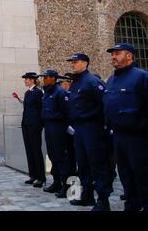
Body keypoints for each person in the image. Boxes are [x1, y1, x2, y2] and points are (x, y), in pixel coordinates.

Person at [103, 43, 148, 211]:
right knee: (125, 176)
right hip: (118, 137)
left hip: (138, 138)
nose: (113, 56)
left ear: (129, 56)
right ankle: (131, 205)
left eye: (117, 53)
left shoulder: (141, 77)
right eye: (112, 54)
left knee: (142, 175)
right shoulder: (111, 79)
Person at [66, 53, 114, 211]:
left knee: (97, 163)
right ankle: (87, 195)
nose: (73, 64)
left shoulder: (92, 82)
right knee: (83, 163)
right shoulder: (76, 82)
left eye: (76, 62)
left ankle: (103, 199)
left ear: (85, 64)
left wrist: (105, 126)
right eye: (72, 62)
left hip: (92, 128)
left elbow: (105, 104)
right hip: (80, 129)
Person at [38, 70, 70, 197]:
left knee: (61, 157)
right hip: (49, 127)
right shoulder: (47, 92)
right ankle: (56, 182)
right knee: (52, 156)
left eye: (46, 77)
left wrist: (54, 117)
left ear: (53, 78)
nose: (44, 79)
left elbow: (66, 111)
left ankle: (66, 185)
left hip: (58, 127)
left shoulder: (59, 92)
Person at [15, 72, 46, 188]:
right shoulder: (28, 93)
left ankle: (40, 177)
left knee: (36, 150)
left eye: (26, 79)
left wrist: (40, 124)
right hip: (26, 124)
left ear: (32, 80)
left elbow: (40, 109)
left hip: (35, 125)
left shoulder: (38, 93)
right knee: (29, 150)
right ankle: (32, 175)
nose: (25, 81)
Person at [58, 74, 78, 180]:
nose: (63, 85)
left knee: (73, 153)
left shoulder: (72, 94)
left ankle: (74, 173)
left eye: (65, 83)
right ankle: (70, 173)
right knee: (68, 154)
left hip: (74, 127)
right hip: (66, 127)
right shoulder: (63, 94)